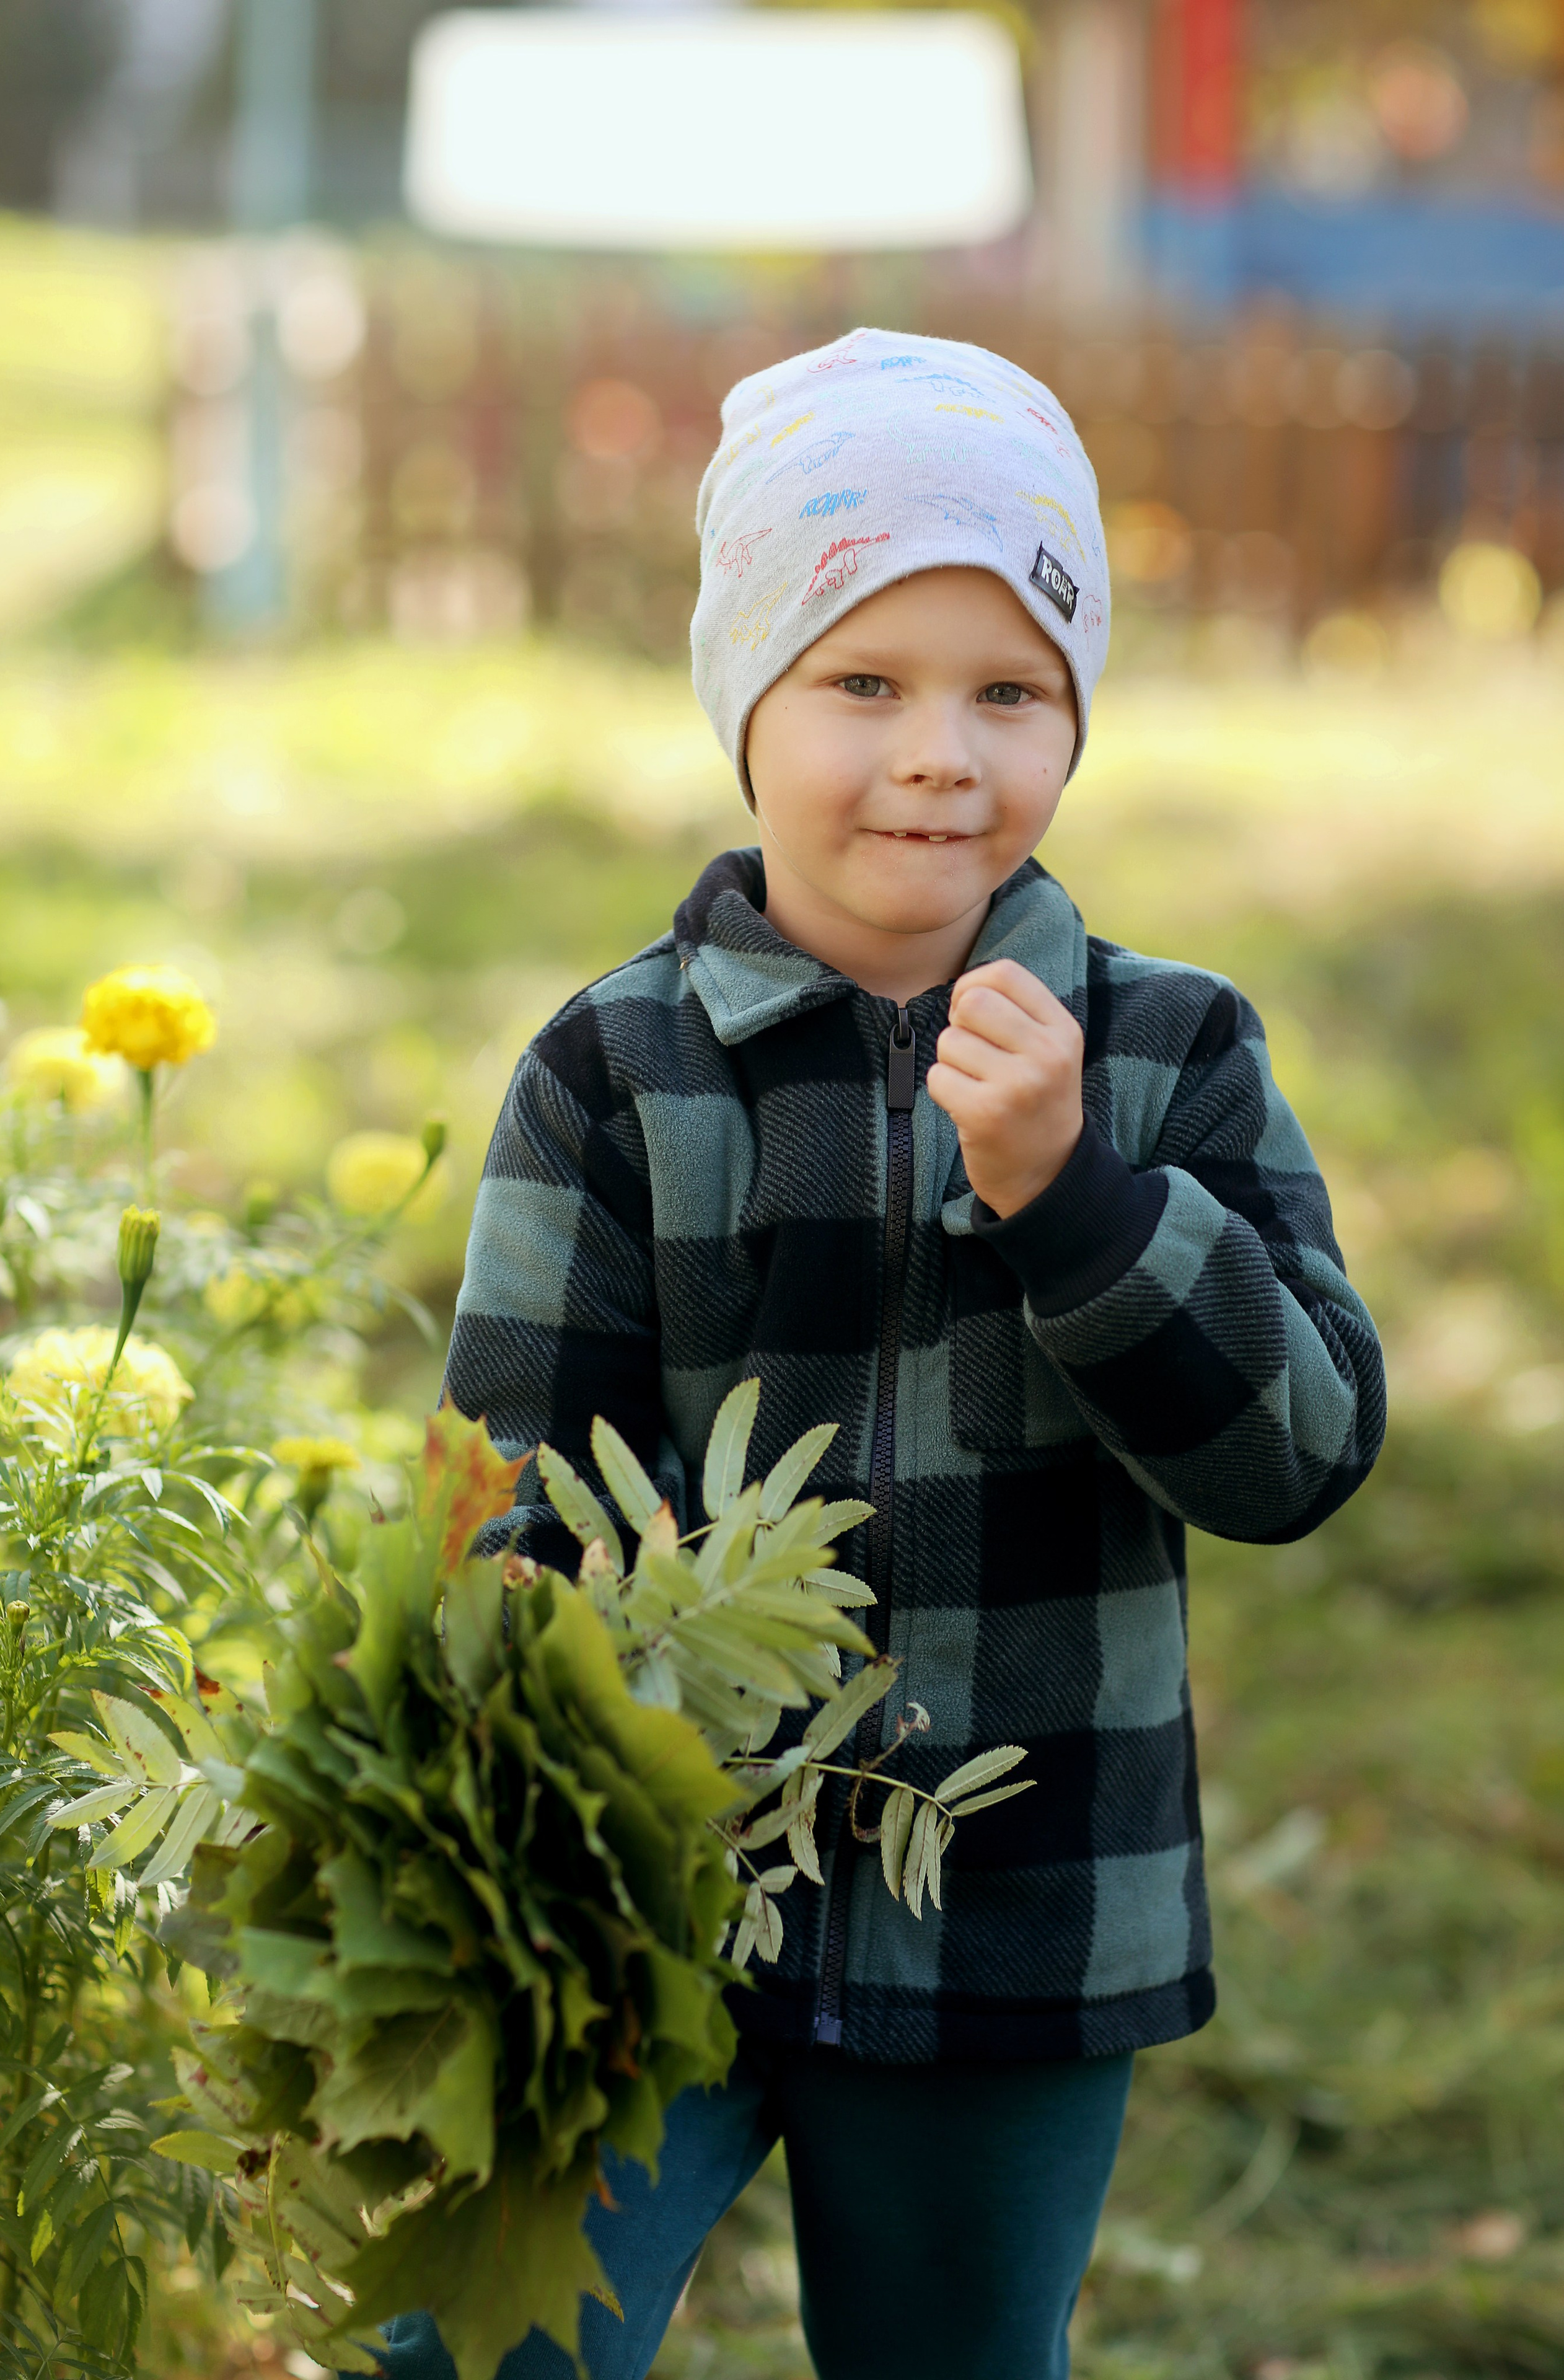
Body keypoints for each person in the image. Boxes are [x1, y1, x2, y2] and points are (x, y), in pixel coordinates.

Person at [390, 328, 1386, 2380]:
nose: (942, 754)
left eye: (1009, 691)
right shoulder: (614, 1068)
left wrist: (1084, 1200)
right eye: (865, 682)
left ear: (1075, 723)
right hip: (649, 1910)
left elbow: (1301, 1451)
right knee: (481, 2347)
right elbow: (506, 1485)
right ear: (743, 705)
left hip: (1021, 1911)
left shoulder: (1168, 1055)